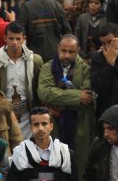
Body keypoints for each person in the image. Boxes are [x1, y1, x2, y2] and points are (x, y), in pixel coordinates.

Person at [37, 35, 94, 174]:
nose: (66, 55)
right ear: (58, 49)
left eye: (71, 52)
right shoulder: (47, 67)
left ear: (78, 50)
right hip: (54, 125)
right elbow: (45, 93)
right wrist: (76, 96)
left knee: (79, 167)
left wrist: (58, 100)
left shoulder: (86, 69)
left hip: (79, 124)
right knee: (53, 165)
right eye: (63, 51)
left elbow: (87, 98)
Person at [7, 107, 73, 181]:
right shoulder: (20, 153)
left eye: (44, 124)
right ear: (31, 127)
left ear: (51, 126)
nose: (40, 128)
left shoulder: (66, 153)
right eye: (36, 124)